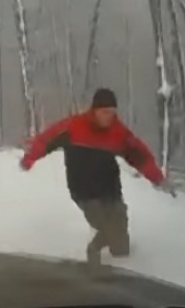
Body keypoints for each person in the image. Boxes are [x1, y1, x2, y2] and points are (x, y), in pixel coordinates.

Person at [20, 88, 168, 267]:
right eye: (105, 112)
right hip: (84, 191)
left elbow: (140, 156)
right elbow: (45, 141)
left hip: (111, 189)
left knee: (120, 246)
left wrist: (157, 178)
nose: (108, 117)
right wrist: (29, 159)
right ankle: (94, 251)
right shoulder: (74, 127)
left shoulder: (118, 132)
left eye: (112, 113)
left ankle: (122, 267)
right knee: (104, 226)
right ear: (94, 110)